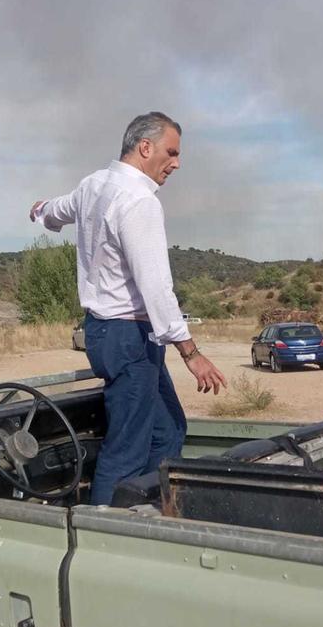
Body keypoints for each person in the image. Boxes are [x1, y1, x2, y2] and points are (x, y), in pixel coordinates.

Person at [30, 111, 226, 504]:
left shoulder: (95, 185)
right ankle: (105, 533)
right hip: (128, 336)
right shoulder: (139, 201)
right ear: (145, 147)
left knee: (167, 431)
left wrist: (40, 211)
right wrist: (191, 352)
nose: (177, 163)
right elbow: (155, 286)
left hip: (112, 333)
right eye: (171, 152)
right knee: (127, 449)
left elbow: (60, 208)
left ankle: (149, 509)